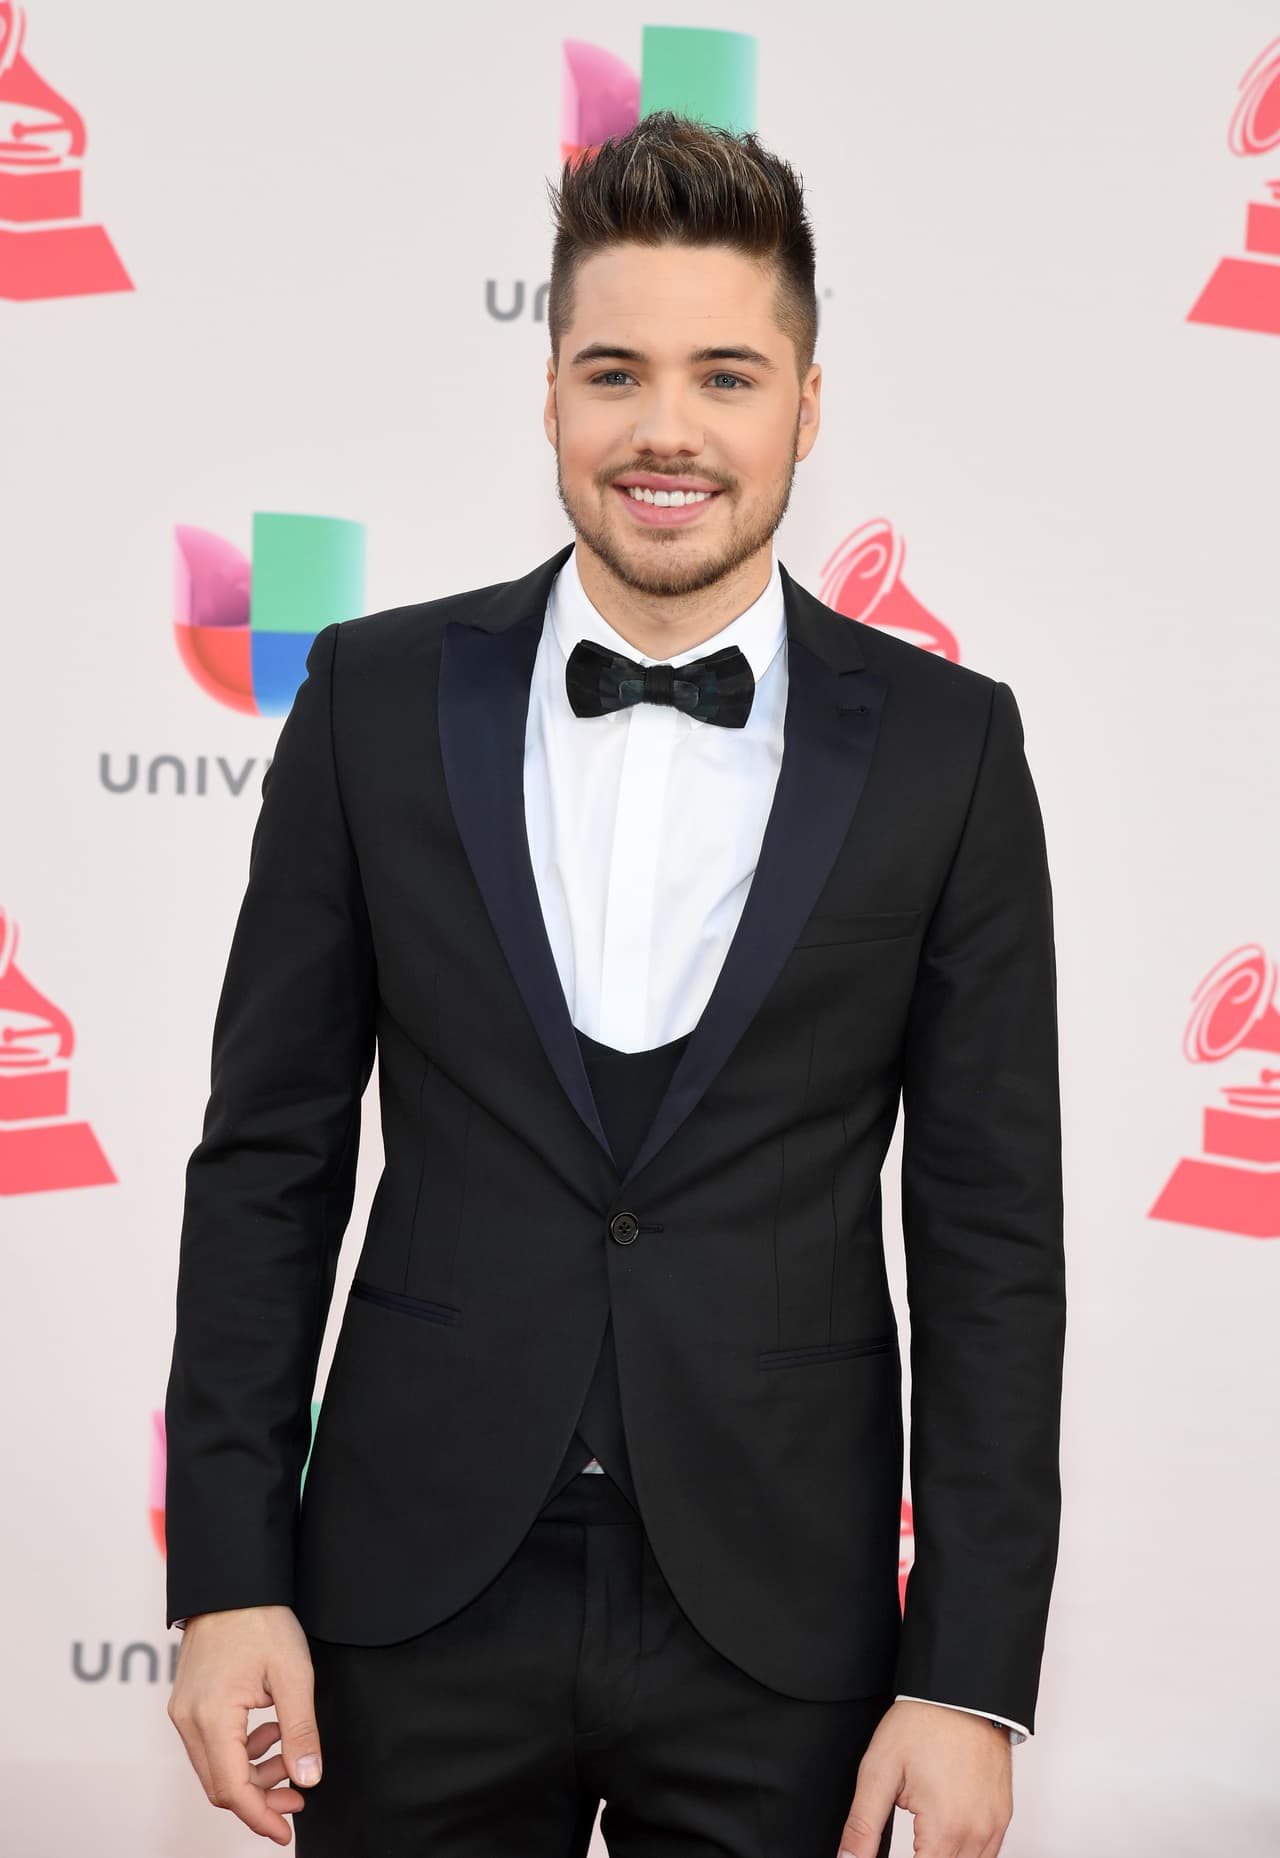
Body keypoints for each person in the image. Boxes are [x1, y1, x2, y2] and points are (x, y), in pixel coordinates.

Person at [163, 111, 1066, 1858]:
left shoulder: (950, 751)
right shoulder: (370, 702)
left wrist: (966, 1677)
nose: (667, 429)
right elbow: (266, 1161)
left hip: (785, 1621)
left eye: (726, 376)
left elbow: (991, 1240)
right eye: (615, 372)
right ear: (550, 394)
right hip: (406, 1595)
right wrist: (225, 1573)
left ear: (808, 405)